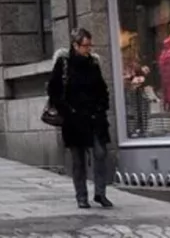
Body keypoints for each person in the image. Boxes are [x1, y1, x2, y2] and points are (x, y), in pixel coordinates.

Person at [47, 27, 113, 210]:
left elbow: (102, 88)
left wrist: (101, 107)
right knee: (78, 160)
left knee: (100, 153)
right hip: (74, 119)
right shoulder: (64, 63)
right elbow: (54, 90)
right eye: (85, 46)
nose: (89, 49)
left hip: (95, 117)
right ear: (75, 45)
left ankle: (100, 193)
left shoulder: (93, 63)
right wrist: (68, 111)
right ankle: (81, 196)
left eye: (90, 45)